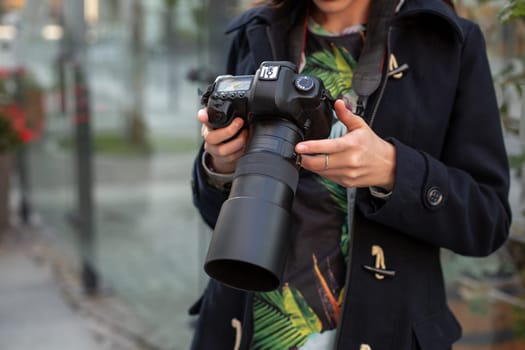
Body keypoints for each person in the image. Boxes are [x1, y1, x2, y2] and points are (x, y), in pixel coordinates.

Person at [189, 0, 512, 349]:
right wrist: (221, 165)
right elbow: (214, 215)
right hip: (241, 328)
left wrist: (393, 170)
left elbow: (487, 220)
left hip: (387, 334)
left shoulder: (448, 41)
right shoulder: (256, 30)